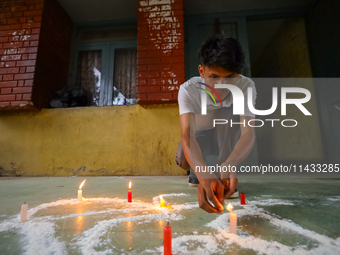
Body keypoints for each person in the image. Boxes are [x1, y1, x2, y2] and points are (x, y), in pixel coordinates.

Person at [175, 34, 256, 214]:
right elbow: (187, 134)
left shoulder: (246, 86)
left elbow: (248, 133)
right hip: (200, 136)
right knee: (182, 158)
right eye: (214, 76)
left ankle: (223, 171)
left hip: (226, 136)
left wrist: (230, 163)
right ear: (201, 71)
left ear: (239, 74)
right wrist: (203, 173)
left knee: (225, 111)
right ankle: (198, 171)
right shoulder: (188, 90)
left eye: (230, 77)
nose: (221, 85)